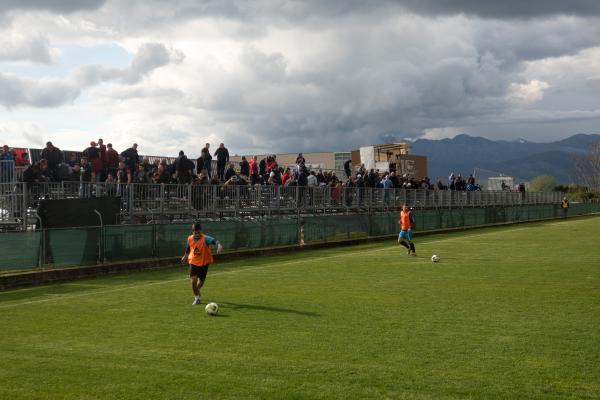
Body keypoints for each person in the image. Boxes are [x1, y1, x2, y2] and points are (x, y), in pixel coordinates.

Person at [180, 222, 223, 305]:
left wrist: (219, 245)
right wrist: (185, 256)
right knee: (193, 280)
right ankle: (197, 297)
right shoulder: (190, 238)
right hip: (193, 262)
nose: (197, 234)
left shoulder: (205, 238)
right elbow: (188, 248)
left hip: (204, 263)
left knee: (201, 282)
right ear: (192, 232)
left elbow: (214, 241)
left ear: (201, 231)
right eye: (195, 233)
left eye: (198, 232)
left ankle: (197, 291)